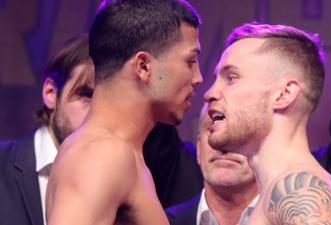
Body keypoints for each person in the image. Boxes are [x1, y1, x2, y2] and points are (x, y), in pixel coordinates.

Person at [167, 0, 331, 224]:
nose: (209, 93)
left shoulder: (303, 194)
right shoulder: (278, 196)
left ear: (284, 94)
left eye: (231, 78)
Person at [0, 33, 203, 225]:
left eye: (107, 97)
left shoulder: (145, 164)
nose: (98, 109)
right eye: (87, 95)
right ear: (51, 93)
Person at [45, 0, 202, 225]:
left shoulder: (115, 152)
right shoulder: (102, 154)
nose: (198, 78)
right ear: (143, 66)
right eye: (190, 61)